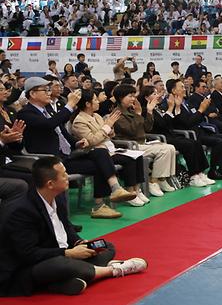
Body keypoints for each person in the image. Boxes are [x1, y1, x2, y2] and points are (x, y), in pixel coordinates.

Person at [0, 156, 147, 297]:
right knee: (60, 265)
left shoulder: (58, 197)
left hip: (65, 253)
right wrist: (68, 254)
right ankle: (113, 270)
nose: (68, 177)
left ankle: (63, 281)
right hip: (31, 266)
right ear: (50, 183)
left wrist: (78, 242)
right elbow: (29, 254)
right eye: (64, 175)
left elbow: (66, 227)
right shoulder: (22, 211)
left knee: (104, 245)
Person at [17, 78, 137, 219]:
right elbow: (49, 125)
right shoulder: (26, 113)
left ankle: (113, 191)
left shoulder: (47, 109)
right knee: (99, 162)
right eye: (45, 90)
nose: (49, 93)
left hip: (66, 156)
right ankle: (103, 201)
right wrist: (70, 105)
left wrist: (76, 143)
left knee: (100, 152)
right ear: (32, 94)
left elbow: (62, 131)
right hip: (49, 160)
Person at [71, 90, 149, 208]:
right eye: (96, 100)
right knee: (128, 160)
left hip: (108, 147)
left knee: (137, 156)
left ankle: (137, 191)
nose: (98, 102)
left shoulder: (96, 116)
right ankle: (129, 191)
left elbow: (106, 134)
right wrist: (107, 127)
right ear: (87, 104)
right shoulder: (79, 121)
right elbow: (91, 140)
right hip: (96, 152)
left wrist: (110, 128)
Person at [112, 84, 178, 197]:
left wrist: (149, 111)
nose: (133, 99)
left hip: (142, 143)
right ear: (120, 98)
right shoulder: (117, 113)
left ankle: (161, 179)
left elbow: (147, 128)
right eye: (130, 96)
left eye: (134, 96)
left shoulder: (131, 110)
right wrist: (138, 114)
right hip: (130, 146)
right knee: (164, 150)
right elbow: (131, 131)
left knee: (170, 147)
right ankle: (153, 181)